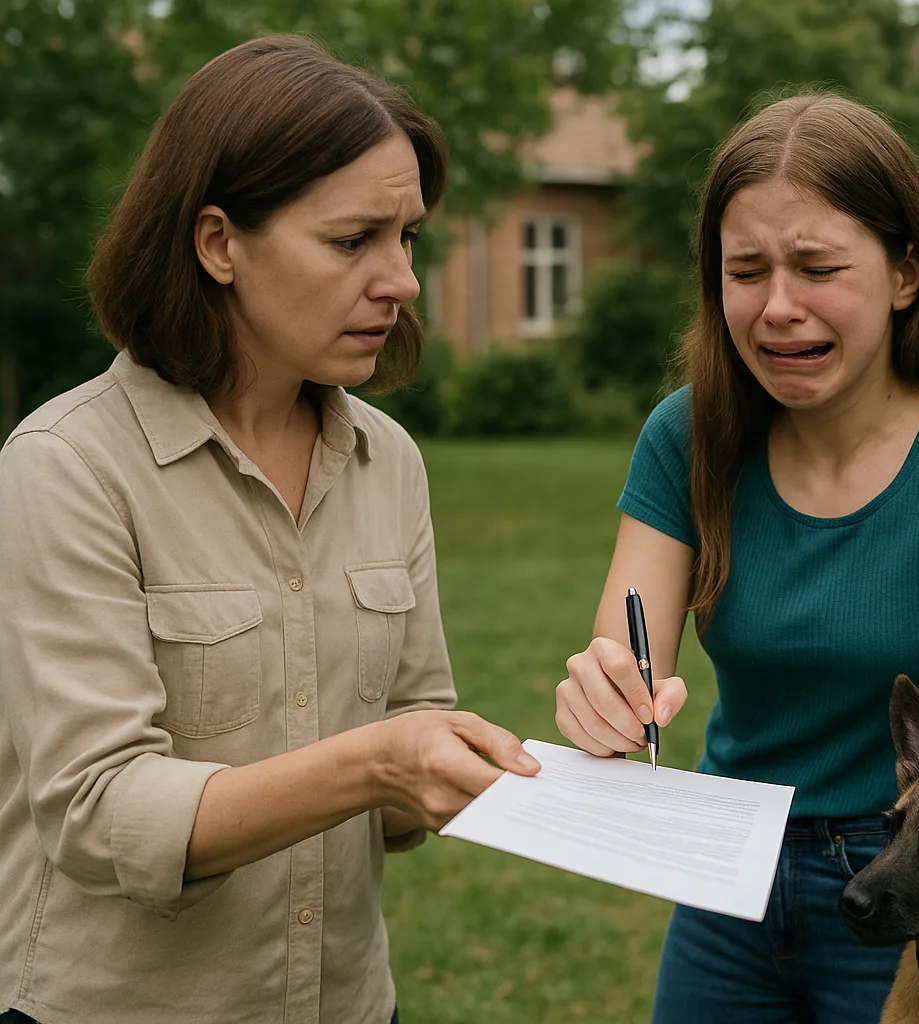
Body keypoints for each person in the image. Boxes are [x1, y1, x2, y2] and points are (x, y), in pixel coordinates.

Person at [0, 36, 541, 1024]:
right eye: (353, 241)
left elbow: (412, 734)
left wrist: (486, 769)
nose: (403, 280)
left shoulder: (390, 462)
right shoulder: (67, 466)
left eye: (409, 237)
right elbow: (95, 810)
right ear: (218, 244)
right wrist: (378, 762)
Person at [553, 93, 919, 1023]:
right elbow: (625, 654)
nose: (777, 308)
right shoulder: (687, 436)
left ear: (904, 274)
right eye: (746, 271)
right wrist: (603, 697)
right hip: (727, 878)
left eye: (817, 267)